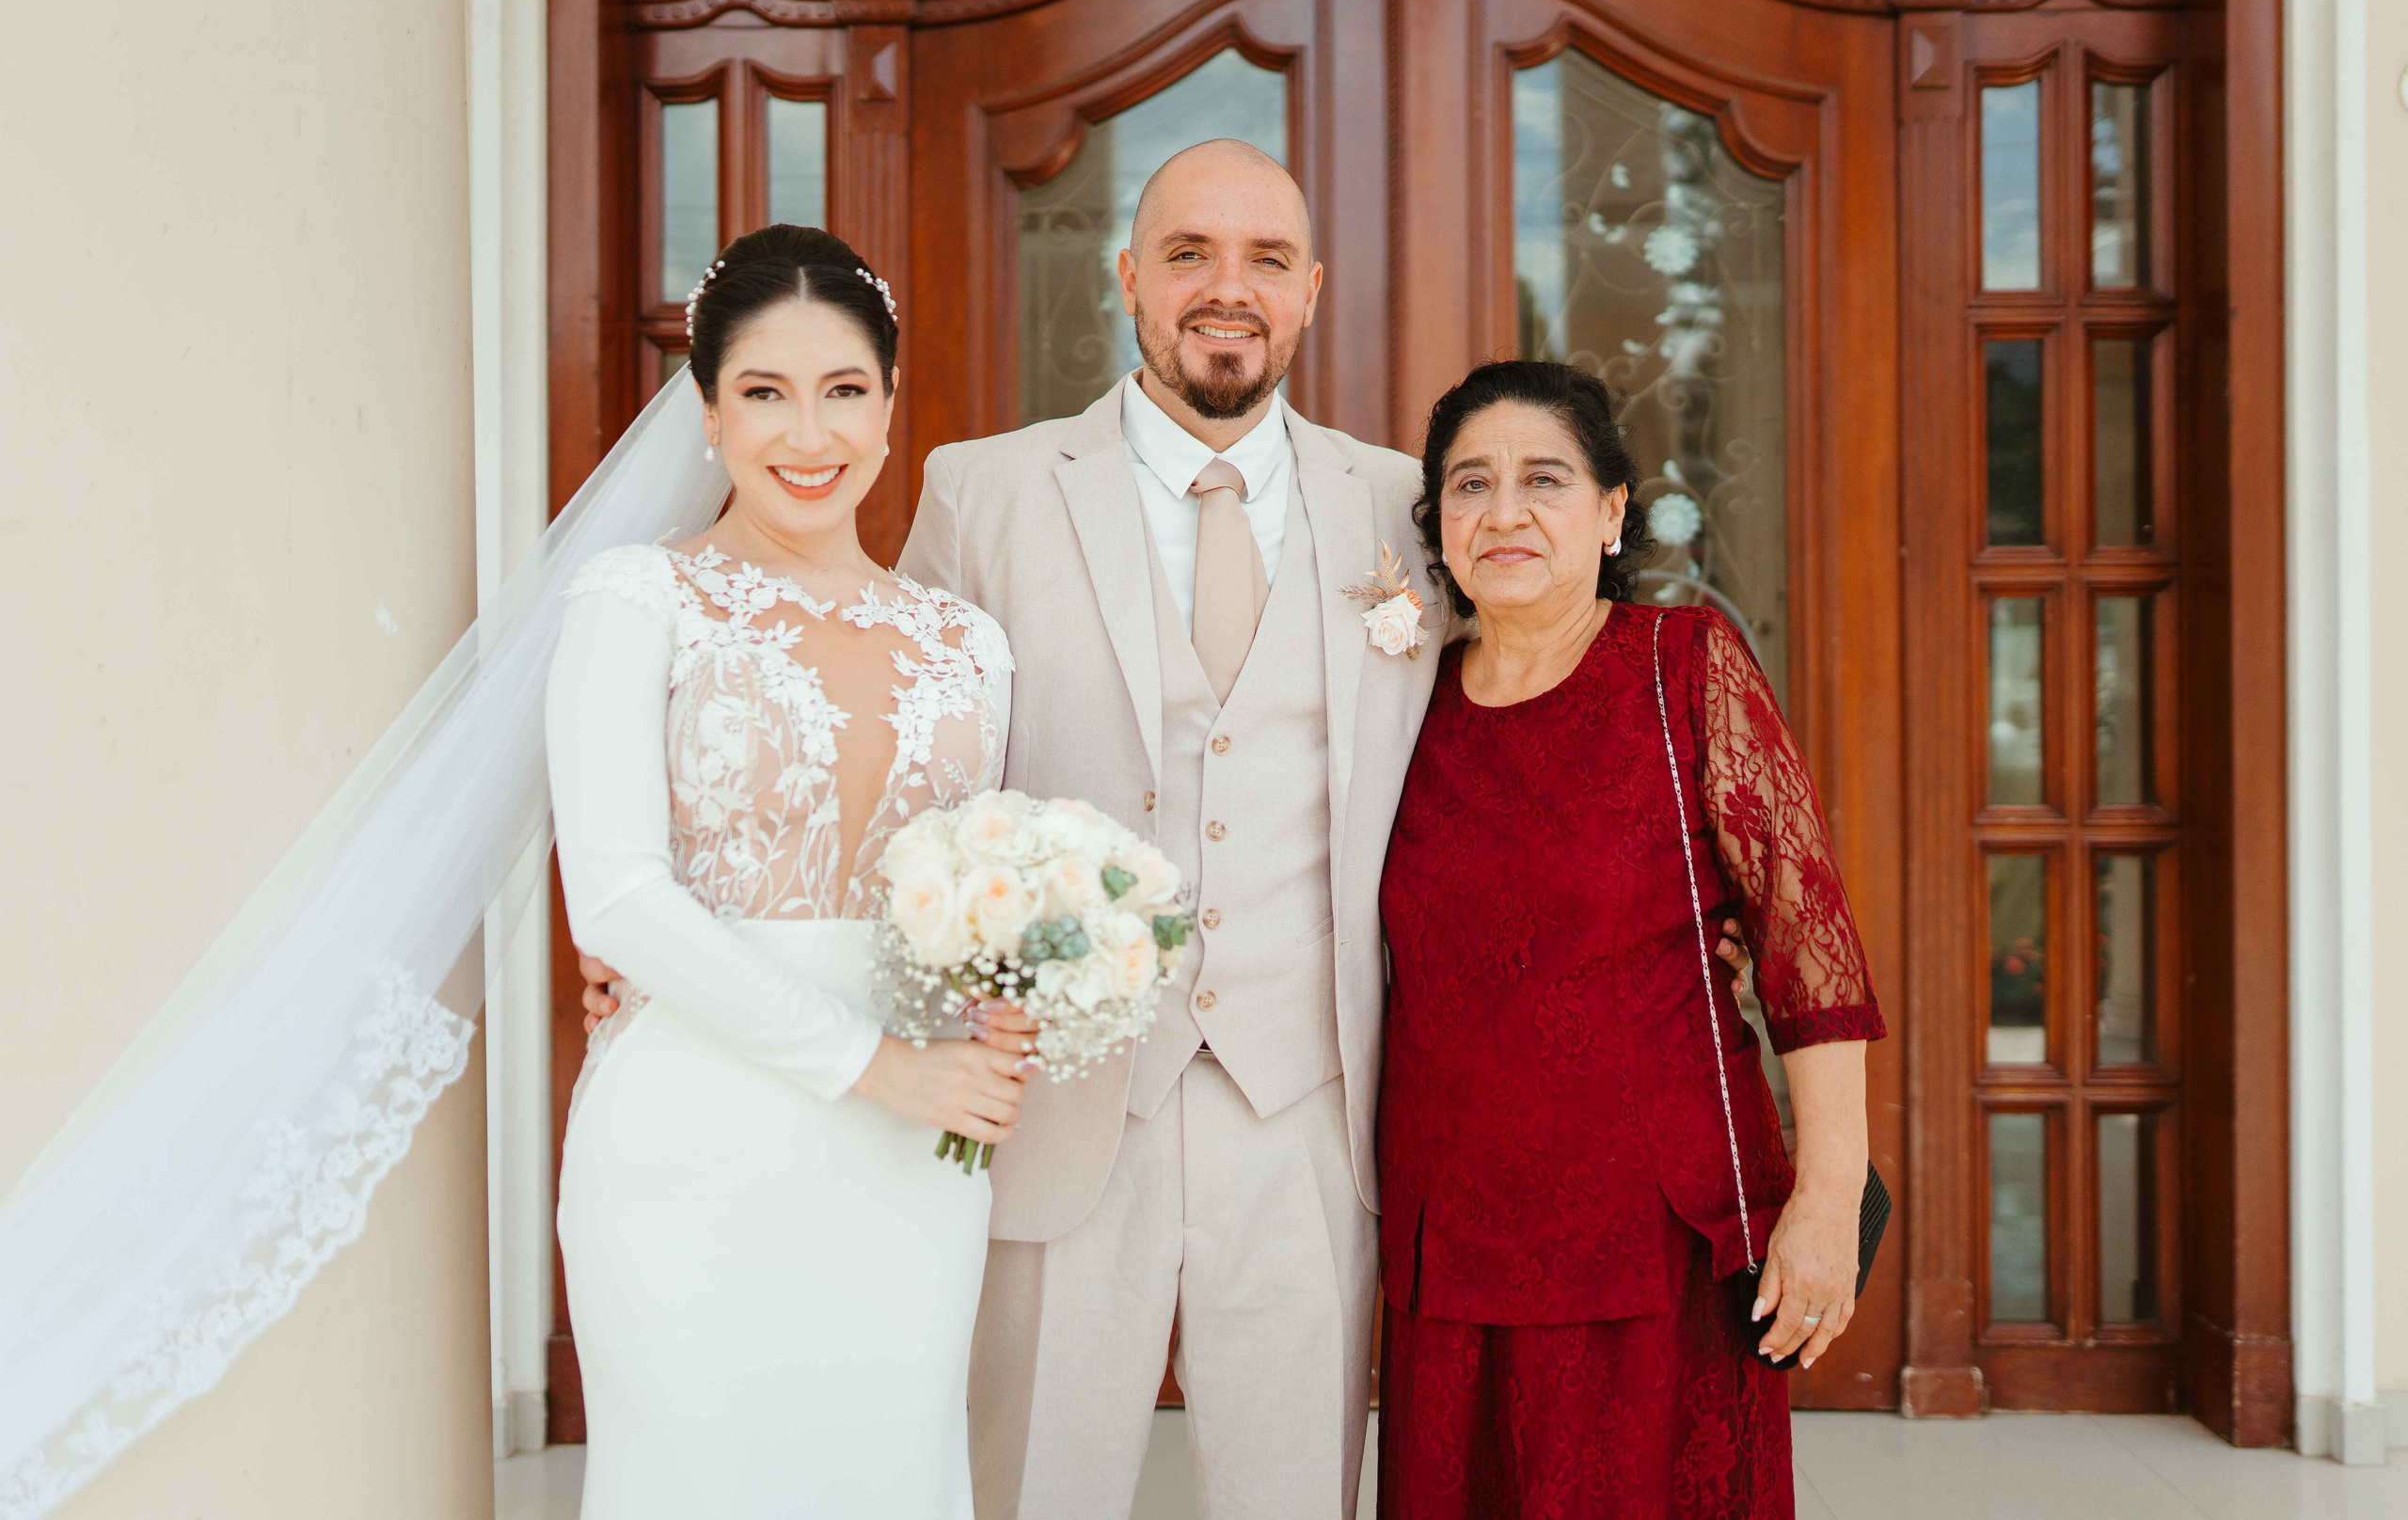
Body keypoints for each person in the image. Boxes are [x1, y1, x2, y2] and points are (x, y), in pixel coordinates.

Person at [578, 138, 1424, 1515]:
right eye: (1189, 254)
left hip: (1307, 1103)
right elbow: (890, 757)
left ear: (1313, 288)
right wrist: (668, 931)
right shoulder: (985, 488)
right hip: (1042, 1098)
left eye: (1267, 258)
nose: (1228, 286)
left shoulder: (1404, 504)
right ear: (1127, 276)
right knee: (1030, 1487)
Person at [546, 224, 1038, 1518]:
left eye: (843, 390)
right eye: (764, 392)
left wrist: (1012, 1005)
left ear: (891, 404)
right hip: (691, 1137)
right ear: (708, 412)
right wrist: (881, 1065)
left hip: (917, 1163)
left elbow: (981, 895)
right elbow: (617, 899)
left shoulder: (970, 643)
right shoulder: (635, 600)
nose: (808, 435)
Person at [1375, 359, 1886, 1519]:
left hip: (1654, 1242)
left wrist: (1828, 1195)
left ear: (1610, 512)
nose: (1504, 511)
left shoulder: (1681, 666)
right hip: (1448, 1239)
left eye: (1543, 479)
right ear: (1438, 522)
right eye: (1470, 484)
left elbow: (1808, 951)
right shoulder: (1402, 707)